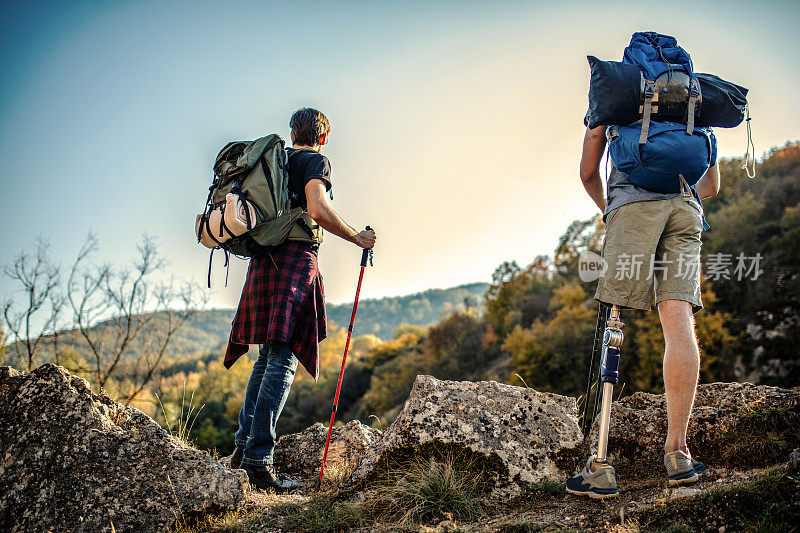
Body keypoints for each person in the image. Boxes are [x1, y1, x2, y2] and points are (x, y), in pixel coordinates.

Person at [223, 108, 376, 491]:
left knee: (267, 358)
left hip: (262, 261)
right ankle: (259, 459)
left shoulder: (275, 160)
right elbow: (317, 208)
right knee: (283, 360)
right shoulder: (314, 160)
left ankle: (244, 450)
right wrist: (357, 236)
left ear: (293, 132)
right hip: (293, 260)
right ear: (322, 137)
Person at [567, 124, 720, 498]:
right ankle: (678, 453)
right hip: (685, 209)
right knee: (679, 322)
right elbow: (712, 184)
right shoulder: (691, 98)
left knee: (615, 320)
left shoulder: (617, 92)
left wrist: (611, 209)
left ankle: (601, 466)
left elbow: (588, 172)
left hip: (630, 207)